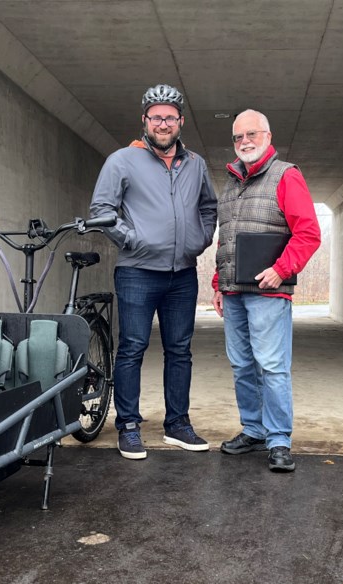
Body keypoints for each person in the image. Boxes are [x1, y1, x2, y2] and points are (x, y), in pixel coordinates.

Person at [89, 84, 218, 460]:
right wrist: (132, 240)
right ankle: (128, 426)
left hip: (183, 274)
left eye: (170, 118)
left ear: (180, 122)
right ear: (145, 121)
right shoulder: (122, 161)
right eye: (156, 117)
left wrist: (200, 239)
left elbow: (209, 207)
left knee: (180, 350)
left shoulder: (194, 164)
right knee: (132, 348)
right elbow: (102, 210)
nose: (163, 124)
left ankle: (178, 424)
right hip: (138, 272)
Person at [211, 109, 321, 472]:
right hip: (233, 291)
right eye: (238, 137)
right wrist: (217, 283)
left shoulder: (286, 176)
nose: (245, 141)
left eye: (252, 134)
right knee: (242, 365)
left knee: (272, 366)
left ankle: (278, 440)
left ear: (268, 137)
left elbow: (308, 234)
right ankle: (253, 430)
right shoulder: (230, 183)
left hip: (268, 292)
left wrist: (281, 269)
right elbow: (225, 238)